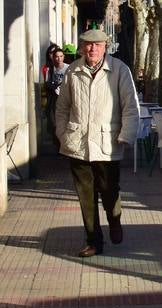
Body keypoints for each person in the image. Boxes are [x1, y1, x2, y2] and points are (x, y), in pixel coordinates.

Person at [55, 28, 141, 258]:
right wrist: (62, 134)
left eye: (97, 45)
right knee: (86, 196)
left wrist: (126, 135)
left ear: (105, 47)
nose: (92, 49)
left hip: (107, 144)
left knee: (109, 191)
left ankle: (114, 219)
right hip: (78, 144)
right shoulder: (73, 71)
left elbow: (130, 106)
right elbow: (62, 107)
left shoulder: (119, 70)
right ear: (82, 47)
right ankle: (94, 241)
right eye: (88, 45)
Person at [43, 45, 69, 147]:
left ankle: (64, 145)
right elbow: (46, 83)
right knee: (54, 124)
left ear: (64, 57)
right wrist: (54, 85)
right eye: (56, 57)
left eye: (61, 56)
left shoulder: (69, 68)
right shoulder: (50, 69)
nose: (59, 59)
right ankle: (58, 146)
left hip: (66, 99)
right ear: (53, 57)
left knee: (65, 123)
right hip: (54, 99)